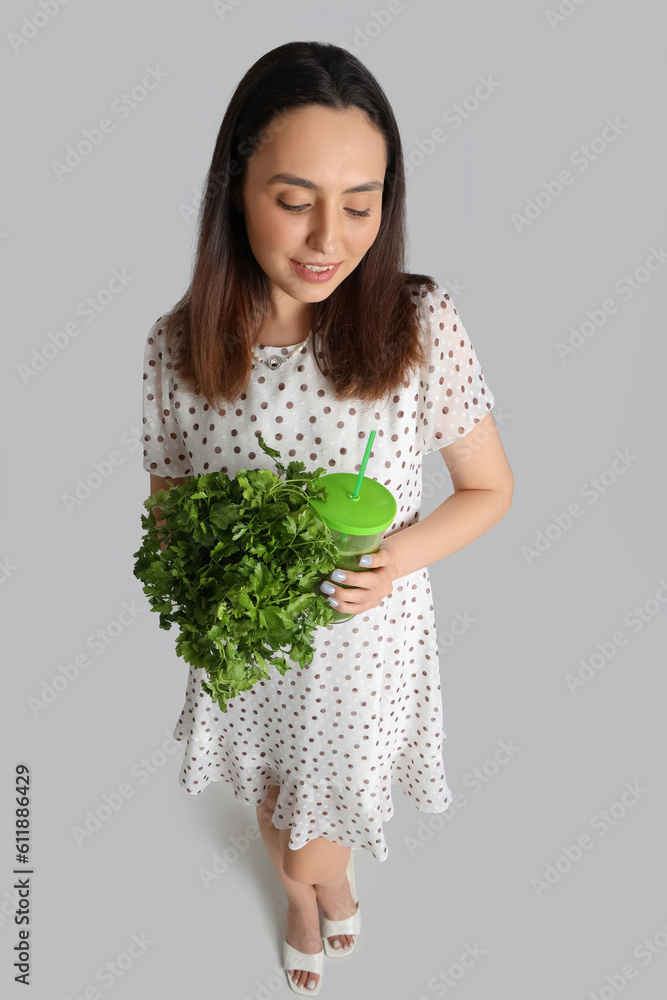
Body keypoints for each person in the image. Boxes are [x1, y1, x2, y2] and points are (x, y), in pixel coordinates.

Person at [142, 40, 513, 995]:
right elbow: (170, 500)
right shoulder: (177, 348)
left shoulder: (419, 324)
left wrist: (394, 561)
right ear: (236, 185)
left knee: (312, 845)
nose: (327, 239)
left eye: (360, 203)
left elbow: (488, 489)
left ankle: (316, 886)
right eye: (293, 198)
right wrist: (198, 569)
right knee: (273, 792)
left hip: (366, 651)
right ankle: (310, 901)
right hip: (252, 649)